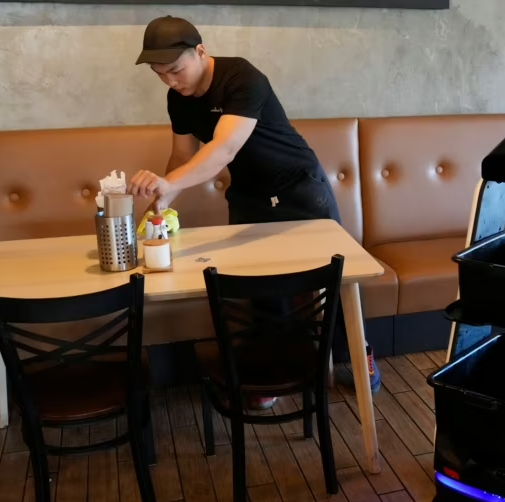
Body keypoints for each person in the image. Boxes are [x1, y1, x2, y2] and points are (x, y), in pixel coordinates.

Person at [129, 15, 380, 408]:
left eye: (176, 70)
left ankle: (359, 352)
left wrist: (172, 183)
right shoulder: (178, 98)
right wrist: (162, 200)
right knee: (259, 290)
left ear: (200, 52)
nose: (171, 81)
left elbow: (224, 149)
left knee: (336, 283)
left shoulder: (242, 77)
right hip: (249, 195)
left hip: (299, 189)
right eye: (161, 75)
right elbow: (182, 155)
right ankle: (273, 375)